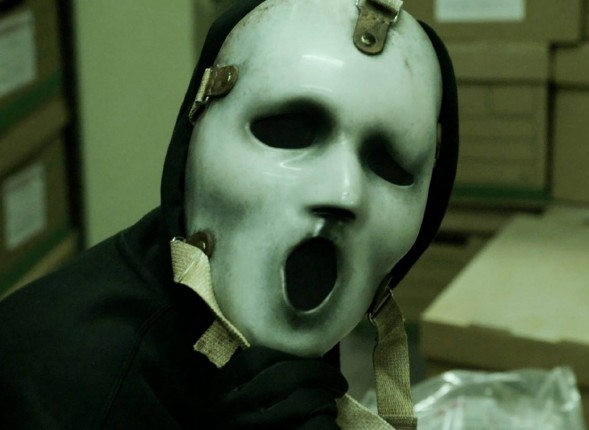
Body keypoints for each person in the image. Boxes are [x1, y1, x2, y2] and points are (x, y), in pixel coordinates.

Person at [0, 0, 458, 428]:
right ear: (197, 136)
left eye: (388, 165)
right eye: (289, 131)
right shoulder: (56, 379)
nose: (344, 193)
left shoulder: (252, 319)